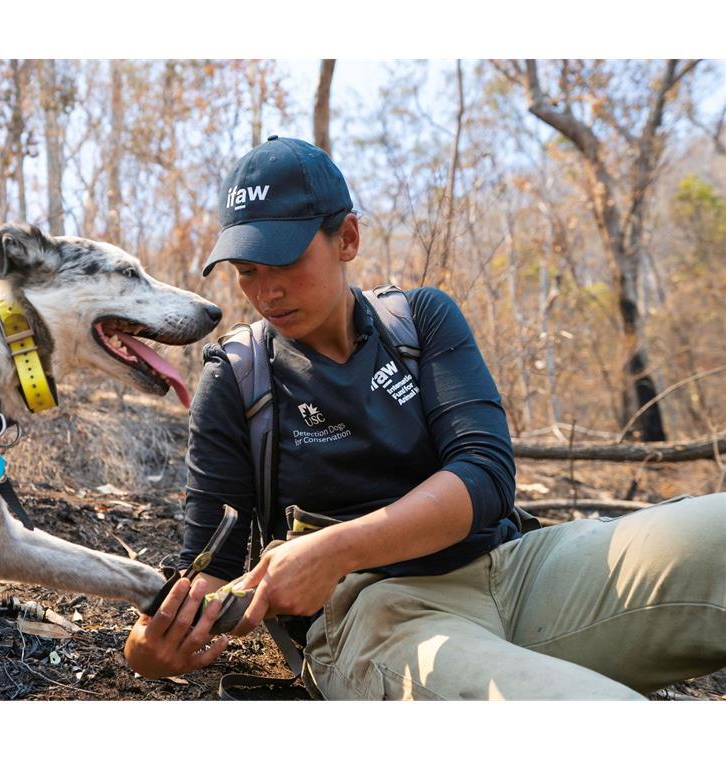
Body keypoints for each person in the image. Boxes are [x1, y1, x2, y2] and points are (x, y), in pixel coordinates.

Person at [123, 136, 726, 699]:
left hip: (515, 570)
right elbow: (211, 564)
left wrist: (333, 548)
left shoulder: (421, 321)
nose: (266, 290)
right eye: (248, 270)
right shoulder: (237, 377)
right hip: (378, 617)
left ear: (348, 239)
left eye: (284, 260)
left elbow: (485, 474)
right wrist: (153, 647)